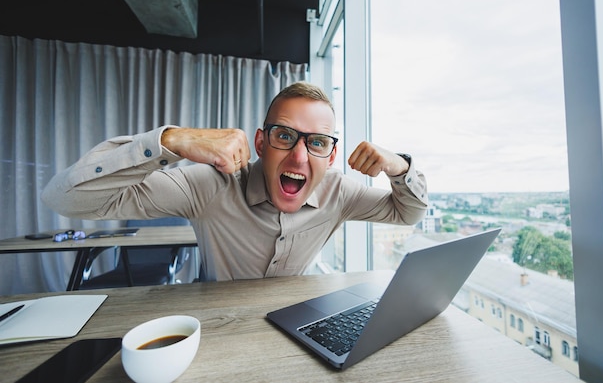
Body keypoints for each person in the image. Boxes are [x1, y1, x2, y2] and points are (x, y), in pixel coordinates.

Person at [42, 81, 428, 281]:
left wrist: (399, 165)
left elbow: (407, 213)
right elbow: (67, 199)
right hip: (213, 325)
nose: (298, 156)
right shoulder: (210, 185)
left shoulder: (339, 192)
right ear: (261, 142)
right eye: (283, 135)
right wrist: (171, 140)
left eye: (317, 143)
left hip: (294, 328)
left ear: (330, 157)